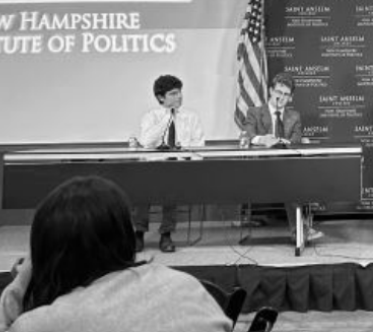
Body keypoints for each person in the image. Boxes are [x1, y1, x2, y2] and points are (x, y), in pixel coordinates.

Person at [0, 176, 230, 332]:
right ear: (126, 236)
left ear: (47, 255)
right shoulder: (184, 286)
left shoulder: (43, 324)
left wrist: (21, 282)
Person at [243, 72, 323, 242]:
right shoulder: (255, 112)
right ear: (271, 91)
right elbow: (248, 134)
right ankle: (301, 230)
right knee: (291, 179)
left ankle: (299, 231)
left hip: (286, 166)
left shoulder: (294, 116)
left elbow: (295, 141)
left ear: (291, 97)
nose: (281, 97)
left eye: (286, 94)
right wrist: (262, 139)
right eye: (278, 92)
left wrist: (284, 141)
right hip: (260, 168)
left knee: (293, 175)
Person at [135, 74, 205, 253]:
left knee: (171, 185)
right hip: (153, 166)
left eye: (180, 92)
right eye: (173, 94)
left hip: (179, 168)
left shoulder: (191, 117)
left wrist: (189, 162)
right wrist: (168, 117)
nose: (179, 97)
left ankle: (166, 234)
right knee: (142, 188)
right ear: (161, 97)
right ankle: (138, 233)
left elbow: (200, 146)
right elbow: (145, 142)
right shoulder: (151, 117)